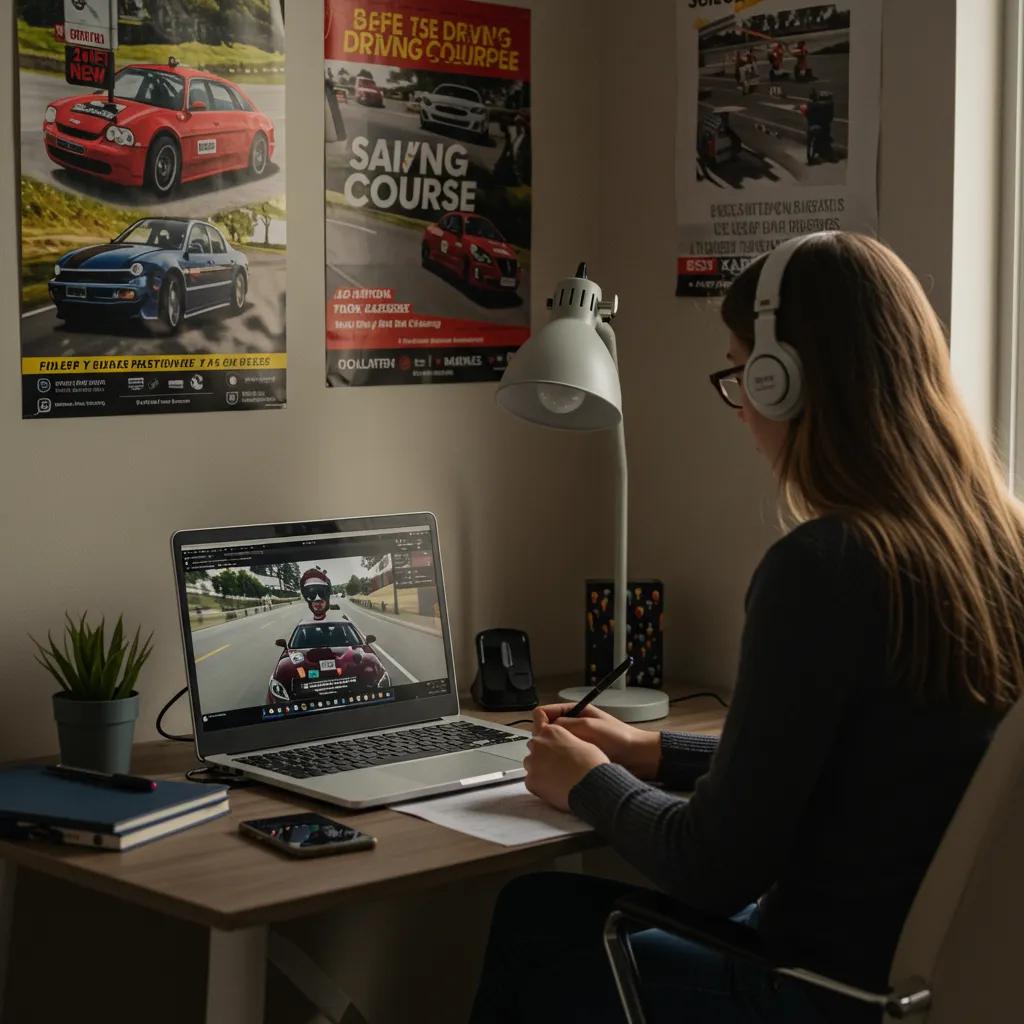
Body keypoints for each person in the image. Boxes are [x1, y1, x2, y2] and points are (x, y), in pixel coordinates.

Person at [469, 232, 1023, 1023]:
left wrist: (586, 782)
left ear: (784, 380)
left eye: (740, 373)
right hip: (924, 987)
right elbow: (861, 763)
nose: (743, 406)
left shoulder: (826, 566)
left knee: (536, 921)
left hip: (819, 993)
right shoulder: (1000, 547)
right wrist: (654, 750)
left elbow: (711, 866)